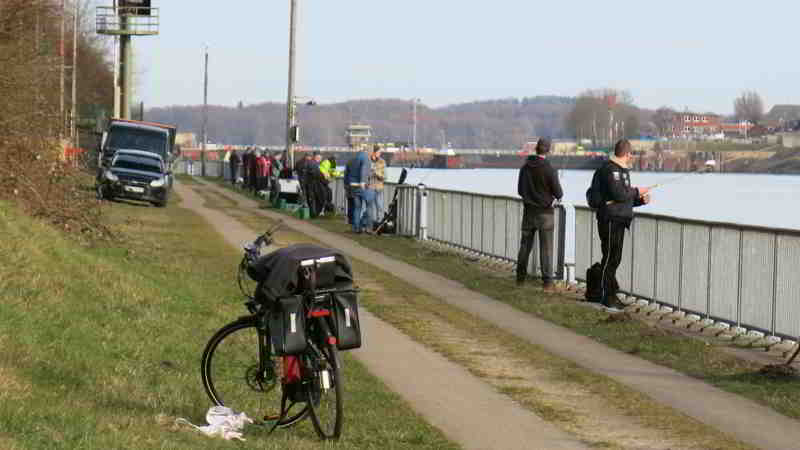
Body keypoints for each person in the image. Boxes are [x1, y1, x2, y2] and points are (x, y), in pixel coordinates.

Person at [593, 139, 651, 310]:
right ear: (627, 154)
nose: (631, 157)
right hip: (611, 219)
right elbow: (619, 194)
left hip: (619, 218)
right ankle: (605, 294)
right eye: (631, 154)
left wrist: (640, 201)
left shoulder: (621, 171)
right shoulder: (612, 170)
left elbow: (622, 199)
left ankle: (610, 294)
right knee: (611, 257)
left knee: (614, 258)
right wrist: (637, 191)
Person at [516, 138, 563, 290]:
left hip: (529, 212)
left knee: (525, 246)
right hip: (545, 213)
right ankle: (547, 283)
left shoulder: (525, 167)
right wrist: (550, 199)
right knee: (546, 248)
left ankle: (520, 278)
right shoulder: (549, 169)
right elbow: (559, 193)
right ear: (548, 150)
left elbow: (520, 190)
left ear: (536, 149)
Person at [348, 149, 370, 233]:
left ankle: (356, 227)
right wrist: (363, 182)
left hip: (353, 186)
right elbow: (363, 170)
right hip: (361, 186)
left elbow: (348, 172)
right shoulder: (365, 158)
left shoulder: (353, 160)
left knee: (357, 208)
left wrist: (347, 184)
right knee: (370, 205)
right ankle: (364, 224)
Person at [366, 145, 386, 229]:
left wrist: (377, 173)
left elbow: (384, 176)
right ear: (374, 152)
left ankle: (379, 226)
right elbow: (365, 175)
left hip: (379, 188)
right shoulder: (367, 161)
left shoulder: (382, 162)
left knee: (380, 207)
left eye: (380, 152)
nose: (380, 154)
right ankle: (370, 226)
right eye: (379, 152)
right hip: (370, 188)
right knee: (370, 207)